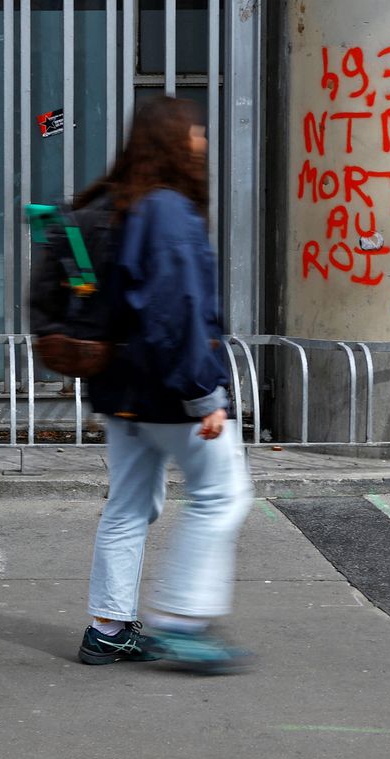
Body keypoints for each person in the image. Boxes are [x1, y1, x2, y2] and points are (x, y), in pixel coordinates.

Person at [73, 95, 255, 674]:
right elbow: (176, 311)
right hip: (169, 390)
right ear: (175, 143)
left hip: (122, 390)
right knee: (222, 495)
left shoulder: (120, 204)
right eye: (197, 133)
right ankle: (181, 620)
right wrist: (205, 394)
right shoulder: (171, 211)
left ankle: (107, 628)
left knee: (128, 505)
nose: (203, 142)